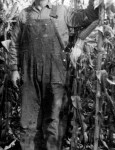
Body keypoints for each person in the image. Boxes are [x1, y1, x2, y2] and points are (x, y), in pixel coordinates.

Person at [9, 0, 98, 149]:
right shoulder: (24, 14)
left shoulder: (62, 11)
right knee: (28, 119)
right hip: (29, 74)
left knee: (54, 119)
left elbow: (88, 16)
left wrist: (94, 2)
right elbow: (15, 43)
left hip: (55, 73)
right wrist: (13, 69)